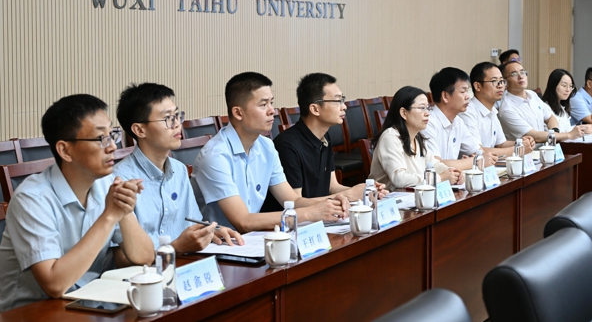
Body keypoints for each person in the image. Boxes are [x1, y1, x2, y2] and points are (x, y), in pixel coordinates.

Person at [0, 95, 154, 311]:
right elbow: (54, 285)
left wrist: (124, 210)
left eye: (113, 135)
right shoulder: (32, 199)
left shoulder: (106, 183)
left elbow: (144, 257)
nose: (112, 146)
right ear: (65, 150)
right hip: (32, 312)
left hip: (89, 303)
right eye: (100, 138)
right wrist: (110, 216)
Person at [191, 72, 347, 233]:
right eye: (263, 105)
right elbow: (243, 221)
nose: (272, 110)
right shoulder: (215, 156)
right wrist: (309, 213)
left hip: (253, 237)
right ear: (238, 113)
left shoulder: (266, 146)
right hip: (220, 241)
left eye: (271, 103)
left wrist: (332, 203)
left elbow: (292, 200)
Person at [114, 83, 243, 252]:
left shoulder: (179, 170)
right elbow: (119, 256)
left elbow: (193, 223)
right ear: (139, 130)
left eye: (177, 116)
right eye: (168, 118)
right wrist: (175, 247)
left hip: (186, 261)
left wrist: (211, 230)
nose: (177, 124)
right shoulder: (119, 181)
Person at [261, 73, 386, 213]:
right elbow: (295, 203)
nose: (344, 107)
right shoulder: (287, 145)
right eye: (337, 101)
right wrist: (348, 195)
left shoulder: (324, 137)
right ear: (315, 109)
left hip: (322, 216)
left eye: (343, 100)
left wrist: (365, 192)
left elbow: (332, 186)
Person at [368, 86, 461, 191]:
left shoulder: (417, 137)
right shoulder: (390, 137)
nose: (427, 113)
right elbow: (399, 179)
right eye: (422, 108)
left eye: (428, 108)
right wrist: (440, 178)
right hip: (389, 197)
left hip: (412, 194)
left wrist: (451, 172)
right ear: (404, 113)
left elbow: (433, 164)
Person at [424, 67, 495, 173]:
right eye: (463, 91)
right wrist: (473, 162)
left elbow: (479, 153)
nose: (468, 97)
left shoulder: (458, 121)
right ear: (445, 96)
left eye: (467, 91)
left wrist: (468, 161)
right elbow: (435, 165)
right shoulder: (427, 123)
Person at [498, 61, 588, 143]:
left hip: (545, 148)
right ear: (505, 82)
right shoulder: (507, 109)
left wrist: (554, 132)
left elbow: (550, 118)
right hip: (527, 153)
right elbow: (535, 136)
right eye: (514, 74)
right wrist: (569, 135)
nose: (521, 76)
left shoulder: (532, 94)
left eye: (522, 72)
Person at [460, 62, 535, 157]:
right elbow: (478, 151)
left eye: (502, 81)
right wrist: (518, 149)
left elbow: (500, 144)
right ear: (477, 86)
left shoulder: (492, 111)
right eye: (494, 81)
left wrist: (521, 142)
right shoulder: (467, 112)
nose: (500, 86)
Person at [542, 69, 592, 134]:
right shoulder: (544, 107)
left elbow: (567, 129)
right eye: (564, 86)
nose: (568, 90)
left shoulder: (561, 106)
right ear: (553, 85)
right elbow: (553, 134)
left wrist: (582, 128)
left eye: (570, 86)